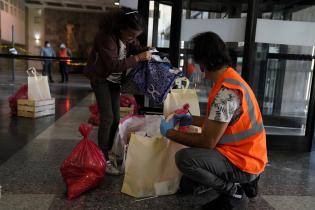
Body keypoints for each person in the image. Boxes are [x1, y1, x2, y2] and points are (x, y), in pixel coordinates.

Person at [160, 32, 268, 209]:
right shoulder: (231, 79)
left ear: (204, 62)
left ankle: (233, 190)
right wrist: (189, 119)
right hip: (249, 155)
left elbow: (208, 141)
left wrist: (169, 133)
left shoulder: (225, 94)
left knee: (184, 159)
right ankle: (245, 183)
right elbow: (218, 123)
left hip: (243, 162)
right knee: (188, 182)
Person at [84, 7, 152, 175]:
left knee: (116, 118)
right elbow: (113, 65)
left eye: (136, 36)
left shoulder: (127, 38)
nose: (133, 39)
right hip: (100, 79)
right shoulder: (105, 37)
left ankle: (111, 151)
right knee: (107, 118)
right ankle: (102, 157)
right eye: (131, 35)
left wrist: (146, 50)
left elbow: (135, 48)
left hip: (113, 81)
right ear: (121, 28)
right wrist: (137, 58)